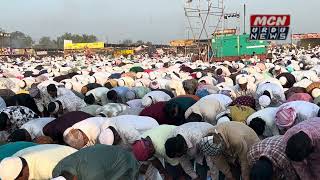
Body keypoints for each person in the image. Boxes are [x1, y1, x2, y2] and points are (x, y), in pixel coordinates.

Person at [52, 145, 139, 180]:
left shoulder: (92, 175)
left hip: (119, 157)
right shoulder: (56, 170)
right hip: (95, 154)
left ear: (75, 178)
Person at [0, 144, 77, 180]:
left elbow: (72, 176)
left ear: (24, 171)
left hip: (77, 163)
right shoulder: (15, 159)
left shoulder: (46, 168)